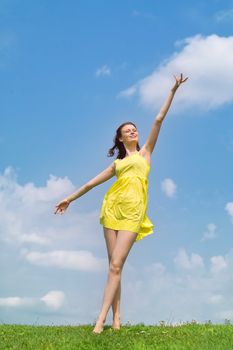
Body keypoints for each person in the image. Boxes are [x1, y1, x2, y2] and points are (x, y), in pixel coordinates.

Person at [54, 73, 188, 334]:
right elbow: (91, 184)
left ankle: (100, 321)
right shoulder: (117, 164)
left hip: (134, 214)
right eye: (127, 130)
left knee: (116, 265)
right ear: (120, 139)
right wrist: (69, 198)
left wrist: (173, 90)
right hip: (112, 210)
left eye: (134, 128)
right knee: (114, 267)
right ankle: (116, 321)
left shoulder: (145, 153)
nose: (133, 130)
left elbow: (159, 120)